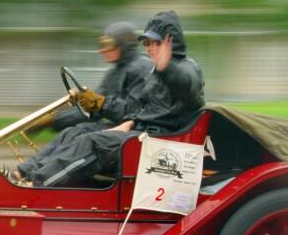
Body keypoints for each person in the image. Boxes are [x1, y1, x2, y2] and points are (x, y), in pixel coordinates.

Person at [18, 10, 204, 188]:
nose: (149, 48)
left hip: (159, 144)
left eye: (155, 42)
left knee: (91, 143)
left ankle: (35, 185)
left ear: (170, 43)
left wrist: (167, 69)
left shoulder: (186, 68)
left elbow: (188, 88)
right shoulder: (153, 72)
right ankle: (26, 173)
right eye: (146, 43)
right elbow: (144, 109)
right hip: (141, 133)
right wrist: (129, 124)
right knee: (77, 132)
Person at [15, 21, 152, 180]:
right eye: (101, 44)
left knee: (82, 133)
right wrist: (54, 120)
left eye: (108, 44)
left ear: (125, 45)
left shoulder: (141, 68)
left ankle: (36, 178)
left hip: (136, 134)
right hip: (120, 128)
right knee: (74, 131)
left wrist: (101, 103)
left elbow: (133, 113)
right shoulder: (115, 72)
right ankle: (24, 172)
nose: (102, 49)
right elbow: (91, 112)